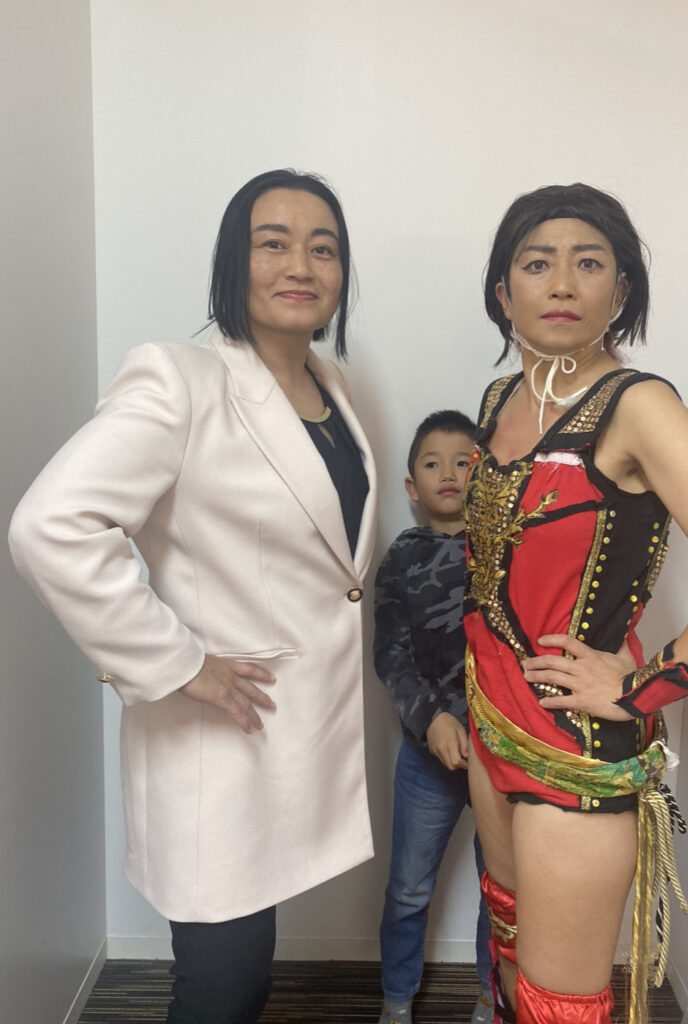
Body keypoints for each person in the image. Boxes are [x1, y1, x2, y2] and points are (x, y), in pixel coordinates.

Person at [8, 169, 377, 1024]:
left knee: (248, 974)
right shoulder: (178, 380)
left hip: (298, 730)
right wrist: (179, 663)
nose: (301, 264)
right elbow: (49, 526)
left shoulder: (333, 389)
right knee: (221, 987)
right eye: (273, 242)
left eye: (323, 248)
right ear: (231, 262)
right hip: (217, 735)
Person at [463, 183, 688, 1024]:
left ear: (621, 290)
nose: (561, 284)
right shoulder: (500, 399)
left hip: (572, 749)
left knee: (559, 1004)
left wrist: (639, 689)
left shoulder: (639, 406)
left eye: (588, 264)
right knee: (507, 946)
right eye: (536, 264)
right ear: (502, 292)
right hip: (488, 720)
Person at [374, 410, 493, 1024]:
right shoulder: (402, 557)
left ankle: (490, 998)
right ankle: (396, 1000)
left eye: (464, 462)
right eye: (431, 463)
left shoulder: (507, 552)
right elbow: (391, 655)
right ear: (411, 486)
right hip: (428, 758)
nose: (449, 473)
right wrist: (433, 721)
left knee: (502, 890)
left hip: (503, 754)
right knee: (408, 889)